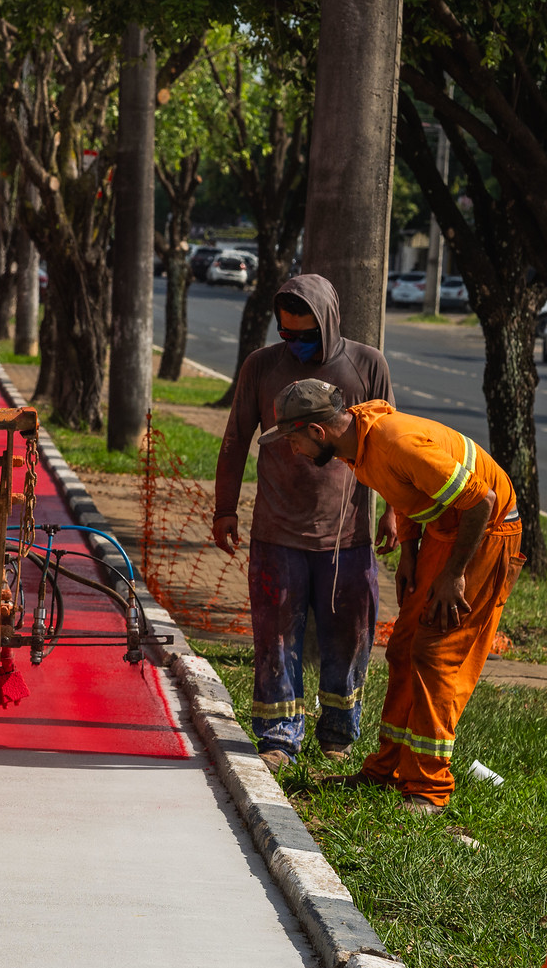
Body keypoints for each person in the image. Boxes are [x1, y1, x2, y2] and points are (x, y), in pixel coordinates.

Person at [260, 379, 525, 815]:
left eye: (293, 439)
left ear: (317, 431)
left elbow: (481, 502)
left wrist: (453, 574)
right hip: (445, 530)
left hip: (484, 533)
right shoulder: (356, 446)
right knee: (403, 651)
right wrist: (409, 552)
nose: (293, 450)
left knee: (434, 654)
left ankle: (429, 789)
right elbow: (406, 491)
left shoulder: (394, 443)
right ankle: (386, 770)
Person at [213, 275, 394, 770]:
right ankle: (278, 738)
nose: (293, 345)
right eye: (286, 334)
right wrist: (224, 508)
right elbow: (235, 441)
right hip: (277, 533)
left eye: (305, 335)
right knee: (275, 637)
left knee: (349, 636)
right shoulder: (262, 366)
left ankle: (338, 734)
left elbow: (388, 442)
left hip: (347, 536)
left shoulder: (367, 365)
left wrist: (393, 512)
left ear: (330, 321)